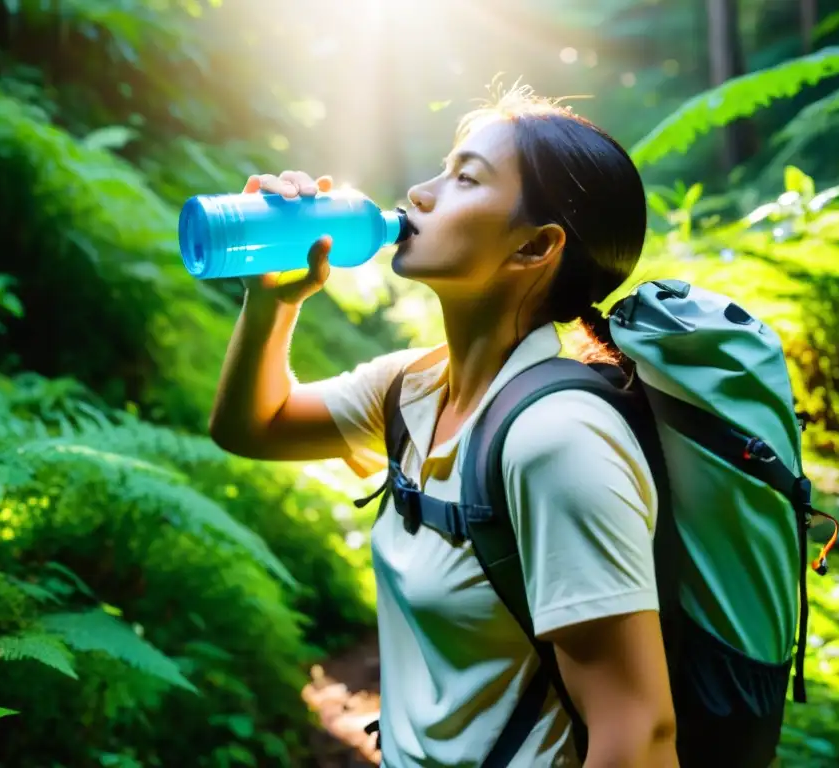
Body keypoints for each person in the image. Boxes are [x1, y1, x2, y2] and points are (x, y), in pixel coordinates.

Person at [209, 84, 678, 767]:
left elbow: (637, 735)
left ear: (535, 247)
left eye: (466, 178)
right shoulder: (411, 387)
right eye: (440, 168)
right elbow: (253, 427)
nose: (419, 194)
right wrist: (271, 301)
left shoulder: (560, 442)